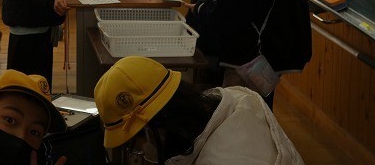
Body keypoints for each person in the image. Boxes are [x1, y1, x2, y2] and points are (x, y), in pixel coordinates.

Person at [94, 56, 304, 165]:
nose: (141, 152)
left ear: (154, 129)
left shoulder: (225, 158)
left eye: (136, 145)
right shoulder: (230, 101)